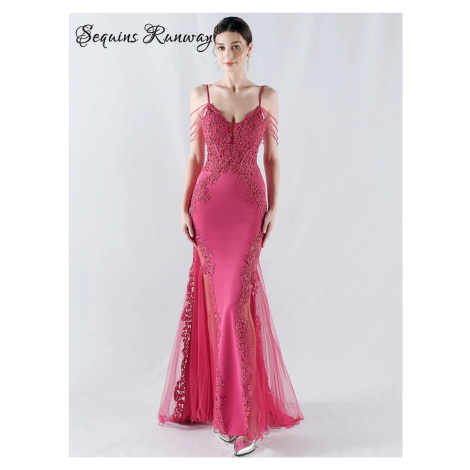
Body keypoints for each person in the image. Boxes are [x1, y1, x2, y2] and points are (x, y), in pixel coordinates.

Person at [158, 16, 304, 457]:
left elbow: (272, 157)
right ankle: (232, 415)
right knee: (223, 307)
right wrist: (182, 206)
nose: (227, 55)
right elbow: (195, 156)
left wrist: (274, 206)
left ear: (249, 49)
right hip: (208, 208)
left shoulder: (267, 96)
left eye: (235, 46)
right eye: (220, 47)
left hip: (248, 208)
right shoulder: (201, 95)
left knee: (235, 306)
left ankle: (242, 422)